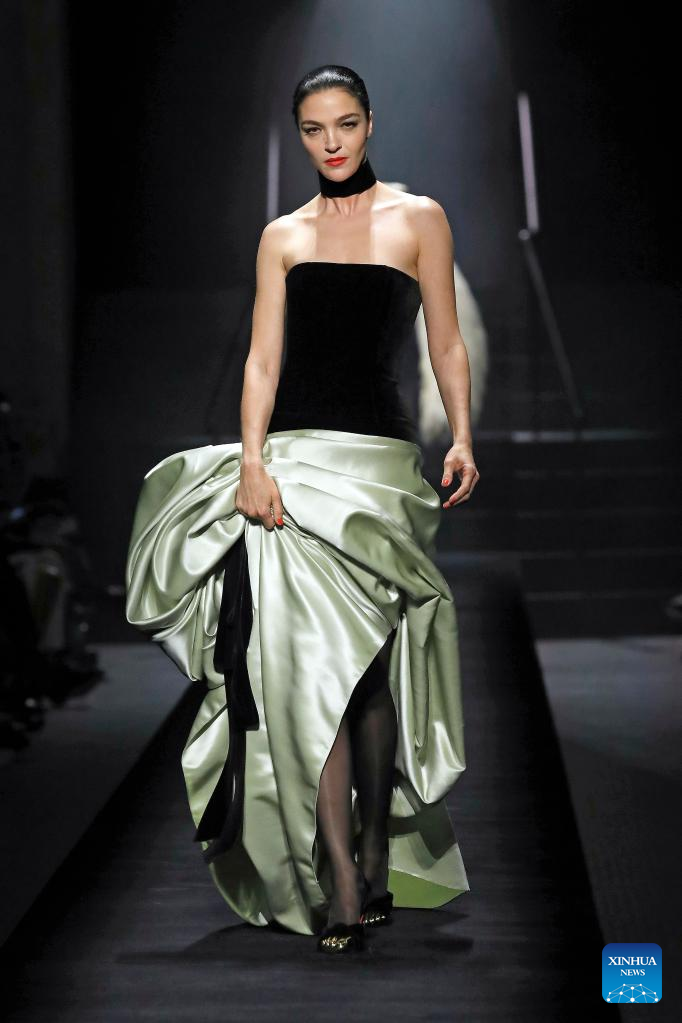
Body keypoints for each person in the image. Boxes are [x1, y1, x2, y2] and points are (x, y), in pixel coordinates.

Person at [125, 64, 479, 955]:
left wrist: (463, 436)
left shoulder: (419, 218)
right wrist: (251, 460)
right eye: (315, 129)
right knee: (304, 673)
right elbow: (262, 360)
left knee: (368, 671)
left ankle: (374, 840)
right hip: (292, 469)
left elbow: (444, 340)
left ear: (371, 122)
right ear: (300, 134)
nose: (332, 143)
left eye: (346, 124)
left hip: (380, 470)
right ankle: (342, 878)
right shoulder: (281, 236)